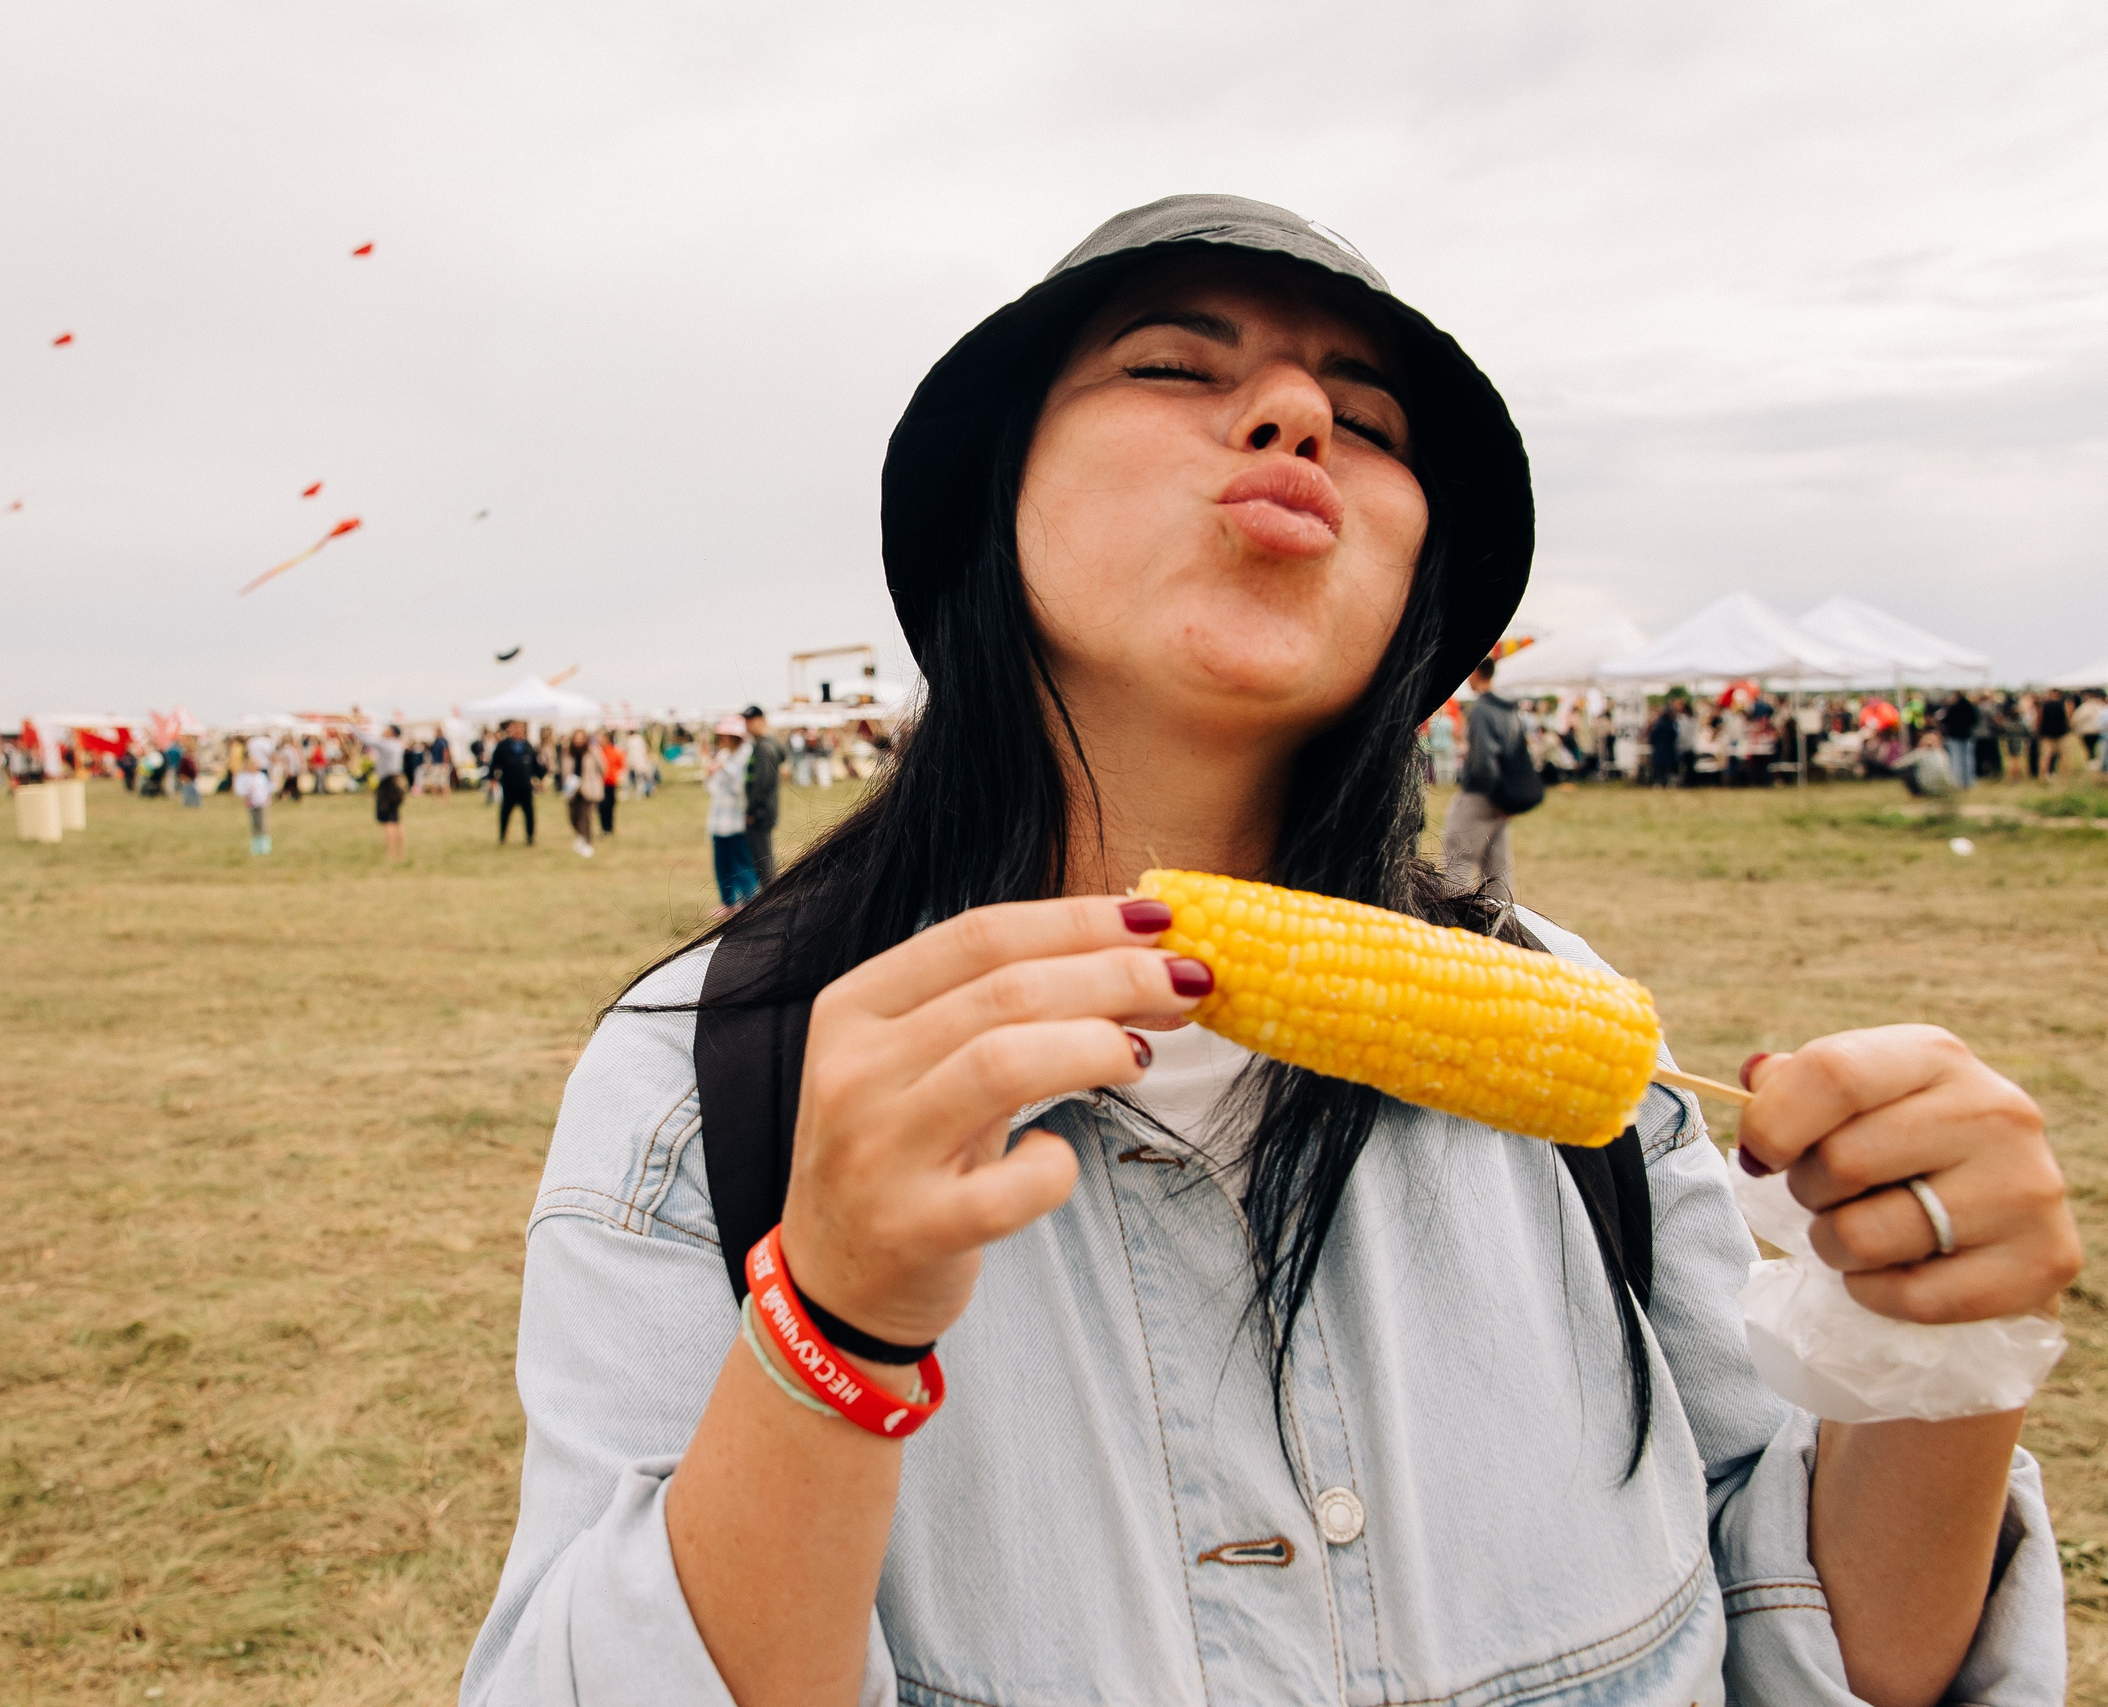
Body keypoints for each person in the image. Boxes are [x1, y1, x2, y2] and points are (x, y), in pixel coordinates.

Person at [462, 195, 2079, 1707]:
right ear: (990, 494)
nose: (1297, 417)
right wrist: (830, 1331)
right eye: (1175, 366)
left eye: (1366, 424)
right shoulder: (711, 1076)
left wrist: (1938, 1356)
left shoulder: (1576, 1036)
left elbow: (1808, 1644)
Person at [1440, 654, 1530, 895]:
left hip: (1481, 794)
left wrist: (1491, 791)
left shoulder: (1481, 710)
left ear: (1476, 672)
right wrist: (1505, 799)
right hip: (1504, 798)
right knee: (1497, 869)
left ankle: (1449, 919)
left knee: (1458, 858)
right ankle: (1501, 924)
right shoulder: (1509, 709)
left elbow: (1483, 760)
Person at [704, 714, 756, 908]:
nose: (722, 740)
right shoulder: (724, 755)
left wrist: (723, 768)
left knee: (741, 864)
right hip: (719, 820)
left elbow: (739, 788)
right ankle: (727, 903)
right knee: (722, 865)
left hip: (737, 821)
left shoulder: (747, 754)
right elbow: (712, 787)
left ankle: (750, 903)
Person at [741, 705, 786, 885]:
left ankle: (771, 899)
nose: (748, 725)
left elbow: (762, 784)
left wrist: (751, 810)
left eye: (752, 721)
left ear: (762, 721)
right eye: (746, 721)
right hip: (764, 810)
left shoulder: (764, 747)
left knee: (764, 863)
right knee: (763, 860)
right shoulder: (763, 744)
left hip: (761, 812)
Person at [489, 720, 539, 846]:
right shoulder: (503, 746)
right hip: (509, 785)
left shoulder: (527, 746)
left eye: (520, 728)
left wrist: (539, 778)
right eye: (515, 728)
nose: (517, 731)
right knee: (505, 812)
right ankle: (502, 835)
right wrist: (492, 779)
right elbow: (494, 763)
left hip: (525, 786)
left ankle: (530, 837)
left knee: (529, 813)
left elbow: (535, 765)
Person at [369, 723, 408, 861]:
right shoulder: (398, 745)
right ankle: (401, 853)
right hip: (396, 782)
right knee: (396, 819)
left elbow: (368, 740)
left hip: (386, 784)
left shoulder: (387, 745)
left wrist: (352, 725)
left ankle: (390, 854)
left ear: (392, 732)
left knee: (387, 820)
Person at [566, 731, 604, 858]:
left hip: (588, 789)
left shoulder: (592, 751)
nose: (578, 741)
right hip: (572, 789)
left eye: (581, 739)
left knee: (586, 817)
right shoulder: (568, 753)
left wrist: (594, 781)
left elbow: (602, 767)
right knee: (573, 817)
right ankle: (580, 837)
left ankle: (588, 843)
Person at [234, 735, 273, 854]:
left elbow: (268, 787)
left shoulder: (261, 776)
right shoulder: (245, 777)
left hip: (262, 802)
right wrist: (247, 793)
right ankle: (256, 846)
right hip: (251, 802)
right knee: (254, 824)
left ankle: (264, 846)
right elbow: (240, 789)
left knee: (262, 824)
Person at [1936, 692, 1979, 791]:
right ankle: (1969, 781)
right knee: (1968, 759)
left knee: (1956, 759)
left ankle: (1956, 782)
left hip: (1954, 735)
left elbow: (1945, 720)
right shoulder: (1969, 707)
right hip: (1967, 735)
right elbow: (1975, 720)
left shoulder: (1952, 707)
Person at [1646, 695, 1684, 788]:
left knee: (1659, 768)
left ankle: (1658, 782)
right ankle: (1665, 782)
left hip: (1660, 750)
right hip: (1668, 750)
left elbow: (1652, 736)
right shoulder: (1671, 725)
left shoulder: (1659, 724)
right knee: (1666, 768)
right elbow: (1675, 736)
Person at [2033, 687, 2071, 780]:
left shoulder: (2044, 705)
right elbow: (2068, 718)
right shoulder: (2064, 704)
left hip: (2047, 734)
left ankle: (2043, 775)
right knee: (2063, 756)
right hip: (2061, 733)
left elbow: (2039, 719)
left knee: (2045, 756)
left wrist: (2037, 731)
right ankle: (2064, 775)